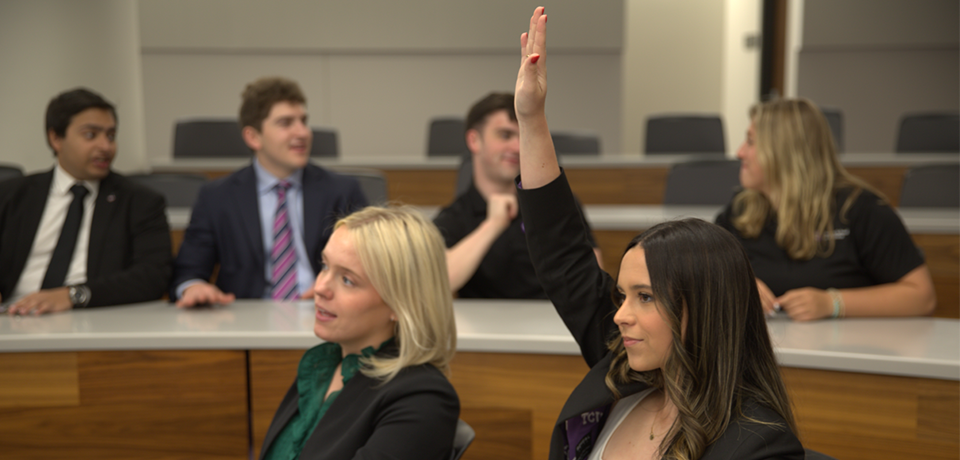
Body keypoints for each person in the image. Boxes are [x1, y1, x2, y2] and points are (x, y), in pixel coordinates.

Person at [514, 8, 802, 459]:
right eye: (622, 296)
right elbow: (561, 252)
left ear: (704, 311)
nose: (619, 316)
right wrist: (531, 120)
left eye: (644, 297)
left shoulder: (760, 444)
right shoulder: (625, 371)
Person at [258, 206, 459, 459]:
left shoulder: (422, 399)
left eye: (347, 280)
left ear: (400, 303)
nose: (320, 288)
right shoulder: (324, 364)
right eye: (324, 266)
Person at [715, 98, 936, 321]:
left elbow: (922, 296)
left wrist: (832, 303)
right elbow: (700, 276)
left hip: (848, 348)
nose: (739, 152)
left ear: (785, 153)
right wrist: (736, 285)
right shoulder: (739, 211)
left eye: (751, 142)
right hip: (765, 349)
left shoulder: (861, 210)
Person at [0, 88, 172, 315]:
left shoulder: (140, 201)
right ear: (56, 138)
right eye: (91, 135)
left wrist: (73, 295)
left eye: (111, 135)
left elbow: (153, 276)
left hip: (91, 318)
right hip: (9, 316)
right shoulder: (10, 195)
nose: (106, 146)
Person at [171, 77, 368, 307]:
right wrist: (194, 286)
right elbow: (188, 270)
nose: (302, 132)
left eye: (303, 121)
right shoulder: (217, 197)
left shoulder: (341, 190)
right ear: (253, 137)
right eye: (286, 123)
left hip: (325, 309)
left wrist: (336, 283)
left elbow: (371, 262)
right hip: (247, 322)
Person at [434, 92, 602, 298]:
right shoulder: (454, 216)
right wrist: (493, 225)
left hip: (553, 325)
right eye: (505, 135)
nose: (517, 147)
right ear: (474, 140)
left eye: (524, 136)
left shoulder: (557, 204)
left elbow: (592, 277)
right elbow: (437, 281)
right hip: (483, 328)